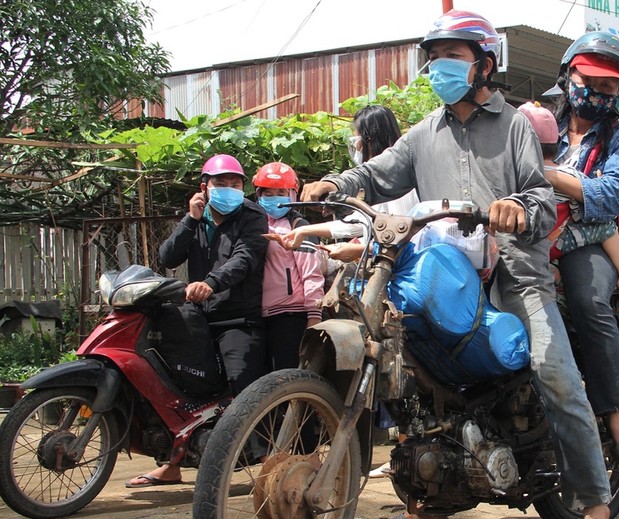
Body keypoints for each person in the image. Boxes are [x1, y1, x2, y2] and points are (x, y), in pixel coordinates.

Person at [303, 10, 619, 519]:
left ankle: (596, 516)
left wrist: (516, 208)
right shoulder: (425, 132)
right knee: (407, 363)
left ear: (484, 65)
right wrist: (336, 183)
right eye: (435, 58)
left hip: (517, 277)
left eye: (452, 57)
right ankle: (430, 503)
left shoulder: (518, 125)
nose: (439, 68)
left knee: (555, 374)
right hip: (443, 273)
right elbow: (378, 174)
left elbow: (544, 199)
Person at [542, 31, 619, 470]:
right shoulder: (534, 120)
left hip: (587, 240)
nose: (596, 90)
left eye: (609, 85)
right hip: (526, 234)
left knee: (590, 301)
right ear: (567, 74)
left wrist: (547, 174)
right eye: (588, 78)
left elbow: (608, 199)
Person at [126, 154, 269, 487]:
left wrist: (212, 283)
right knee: (171, 385)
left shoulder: (253, 216)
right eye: (222, 183)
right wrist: (190, 219)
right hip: (199, 317)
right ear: (204, 187)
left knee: (244, 386)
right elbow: (167, 257)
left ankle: (264, 462)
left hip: (239, 319)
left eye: (236, 183)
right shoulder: (197, 218)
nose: (231, 189)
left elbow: (245, 259)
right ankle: (172, 462)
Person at [518, 101, 619, 309]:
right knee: (605, 230)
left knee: (590, 301)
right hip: (558, 240)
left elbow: (608, 199)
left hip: (531, 245)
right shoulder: (570, 173)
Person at [271, 104, 419, 263]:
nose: (355, 146)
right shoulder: (377, 180)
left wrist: (357, 249)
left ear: (369, 140)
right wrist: (303, 230)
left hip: (409, 265)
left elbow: (401, 234)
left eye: (357, 138)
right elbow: (362, 221)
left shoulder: (396, 181)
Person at [254, 162, 325, 370]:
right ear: (258, 195)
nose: (274, 198)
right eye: (268, 193)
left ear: (293, 195)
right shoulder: (254, 225)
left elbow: (312, 274)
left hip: (291, 316)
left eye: (281, 192)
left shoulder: (300, 228)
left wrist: (314, 316)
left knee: (285, 380)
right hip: (259, 316)